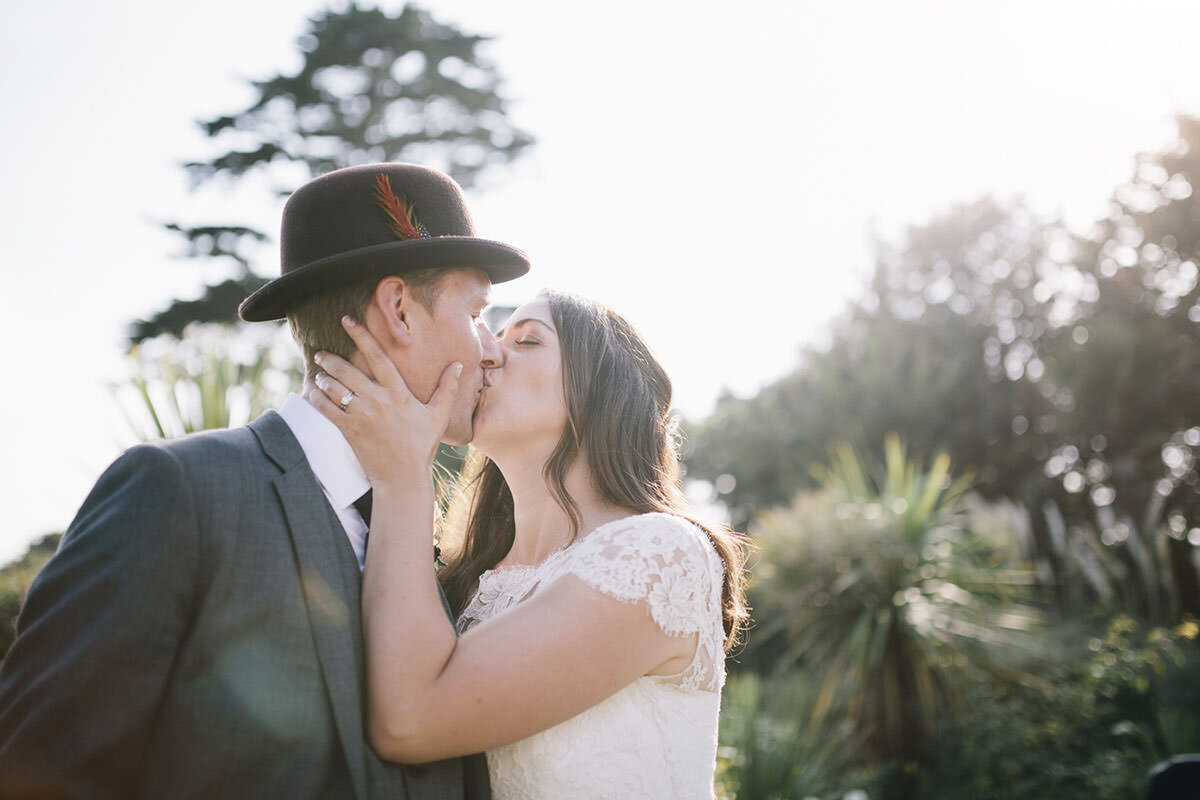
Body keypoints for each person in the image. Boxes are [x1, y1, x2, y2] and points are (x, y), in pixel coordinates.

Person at [0, 163, 528, 799]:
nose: (492, 348)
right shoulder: (180, 493)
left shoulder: (425, 537)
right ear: (400, 312)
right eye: (477, 313)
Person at [305, 289, 750, 799]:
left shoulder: (660, 555)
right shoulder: (467, 581)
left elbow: (410, 721)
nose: (487, 353)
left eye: (528, 340)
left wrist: (403, 477)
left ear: (601, 387)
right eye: (492, 336)